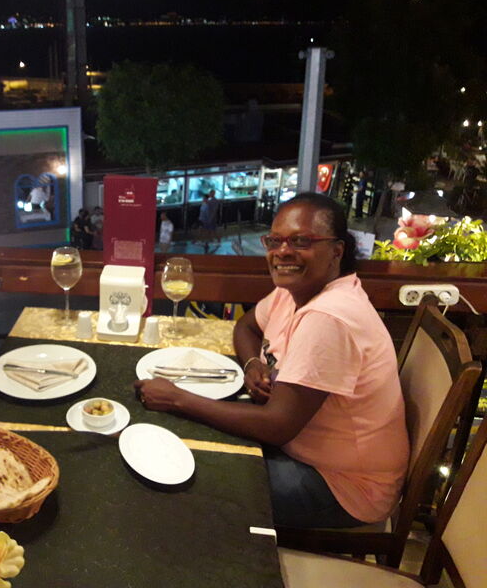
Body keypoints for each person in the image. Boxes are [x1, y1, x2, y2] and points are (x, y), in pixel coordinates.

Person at [135, 193, 409, 528]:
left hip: (341, 485)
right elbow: (246, 327)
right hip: (303, 448)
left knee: (182, 481)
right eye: (275, 241)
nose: (282, 252)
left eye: (301, 241)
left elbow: (276, 426)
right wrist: (253, 363)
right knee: (184, 444)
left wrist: (177, 397)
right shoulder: (295, 290)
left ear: (337, 251)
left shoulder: (329, 316)